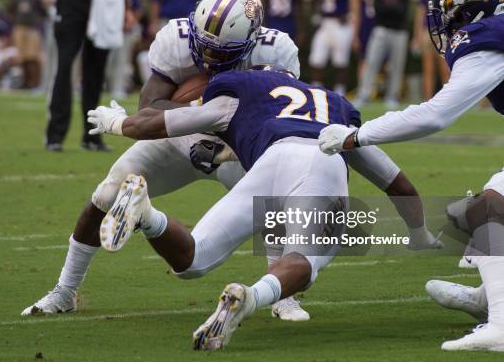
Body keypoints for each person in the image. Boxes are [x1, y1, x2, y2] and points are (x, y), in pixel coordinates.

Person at [20, 0, 439, 324]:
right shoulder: (176, 38)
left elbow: (264, 117)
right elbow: (151, 109)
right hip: (185, 133)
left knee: (272, 205)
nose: (207, 58)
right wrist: (197, 119)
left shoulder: (277, 50)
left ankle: (280, 296)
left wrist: (212, 141)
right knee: (109, 191)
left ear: (254, 42)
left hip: (240, 148)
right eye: (204, 47)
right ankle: (65, 290)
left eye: (221, 54)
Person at [87, 66, 357, 350]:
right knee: (305, 260)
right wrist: (410, 213)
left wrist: (117, 122)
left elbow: (164, 121)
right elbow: (389, 177)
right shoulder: (336, 103)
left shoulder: (245, 93)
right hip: (320, 165)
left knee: (194, 260)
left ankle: (147, 215)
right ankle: (251, 297)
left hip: (272, 162)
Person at [318, 0, 504, 352]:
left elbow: (436, 114)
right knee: (483, 206)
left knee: (485, 210)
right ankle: (488, 298)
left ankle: (500, 323)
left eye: (449, 8)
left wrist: (357, 135)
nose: (445, 19)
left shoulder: (487, 37)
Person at [43, 0, 133, 152]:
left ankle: (91, 135)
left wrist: (127, 7)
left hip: (105, 1)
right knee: (65, 65)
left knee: (96, 70)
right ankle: (55, 135)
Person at [354, 0, 410, 108]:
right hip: (382, 30)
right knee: (372, 62)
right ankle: (364, 95)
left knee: (396, 66)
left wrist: (391, 8)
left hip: (399, 32)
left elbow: (402, 13)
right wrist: (392, 8)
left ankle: (392, 96)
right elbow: (381, 11)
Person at [308, 0, 352, 96]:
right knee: (316, 58)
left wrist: (347, 14)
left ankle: (340, 92)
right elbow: (313, 0)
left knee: (340, 60)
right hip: (325, 23)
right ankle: (316, 91)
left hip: (339, 24)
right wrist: (316, 13)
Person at [410, 0, 450, 100]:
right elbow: (419, 17)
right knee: (431, 70)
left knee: (442, 70)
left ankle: (440, 100)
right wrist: (417, 37)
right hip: (432, 33)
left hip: (438, 33)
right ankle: (433, 100)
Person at [8, 0, 47, 90]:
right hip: (20, 28)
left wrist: (37, 22)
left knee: (32, 57)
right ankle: (24, 81)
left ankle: (35, 82)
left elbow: (42, 12)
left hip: (32, 28)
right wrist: (15, 21)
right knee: (21, 57)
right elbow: (10, 10)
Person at [350, 0, 377, 79]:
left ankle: (377, 89)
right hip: (364, 26)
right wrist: (355, 35)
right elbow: (355, 12)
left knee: (380, 59)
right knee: (364, 58)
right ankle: (363, 89)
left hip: (378, 25)